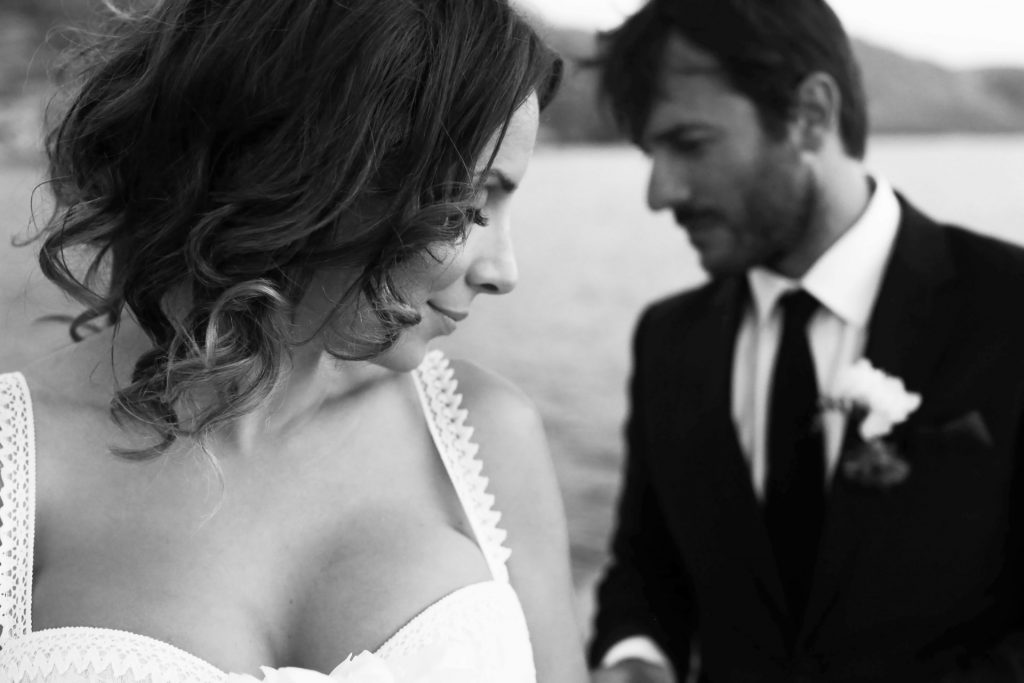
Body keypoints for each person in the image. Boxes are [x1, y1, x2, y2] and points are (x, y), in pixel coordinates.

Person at [0, 1, 588, 681]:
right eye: (468, 209)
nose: (503, 271)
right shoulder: (20, 465)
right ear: (320, 168)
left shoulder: (484, 439)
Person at [587, 0, 1024, 681]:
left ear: (810, 115)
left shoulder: (1009, 306)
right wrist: (635, 656)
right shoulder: (668, 340)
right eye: (650, 152)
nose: (660, 191)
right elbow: (647, 568)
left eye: (690, 144)